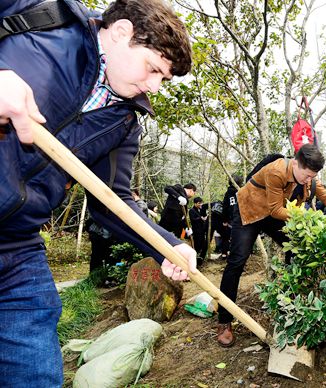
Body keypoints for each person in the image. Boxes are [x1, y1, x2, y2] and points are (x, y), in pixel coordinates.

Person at [0, 1, 196, 386]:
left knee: (35, 372)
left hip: (17, 248)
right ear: (121, 32)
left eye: (164, 79)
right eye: (154, 69)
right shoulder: (44, 14)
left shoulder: (124, 123)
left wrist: (168, 246)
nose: (155, 86)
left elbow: (113, 202)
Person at [217, 144, 326, 347]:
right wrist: (308, 216)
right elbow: (277, 209)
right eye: (306, 176)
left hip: (271, 213)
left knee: (297, 247)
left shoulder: (307, 175)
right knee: (237, 262)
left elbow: (323, 193)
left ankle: (295, 304)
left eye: (312, 176)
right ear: (295, 163)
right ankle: (224, 320)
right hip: (250, 211)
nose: (308, 181)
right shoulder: (276, 171)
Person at [219, 174, 244, 258]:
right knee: (235, 236)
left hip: (233, 219)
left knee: (228, 236)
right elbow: (225, 207)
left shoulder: (232, 192)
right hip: (237, 219)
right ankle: (230, 253)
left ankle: (227, 253)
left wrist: (224, 220)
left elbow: (225, 207)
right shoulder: (241, 191)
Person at [188, 196, 208, 266]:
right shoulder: (191, 211)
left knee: (203, 245)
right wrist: (201, 218)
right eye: (199, 203)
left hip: (202, 230)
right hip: (196, 231)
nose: (200, 204)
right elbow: (193, 219)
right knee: (197, 246)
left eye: (201, 203)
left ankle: (200, 259)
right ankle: (194, 260)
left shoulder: (200, 210)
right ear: (195, 203)